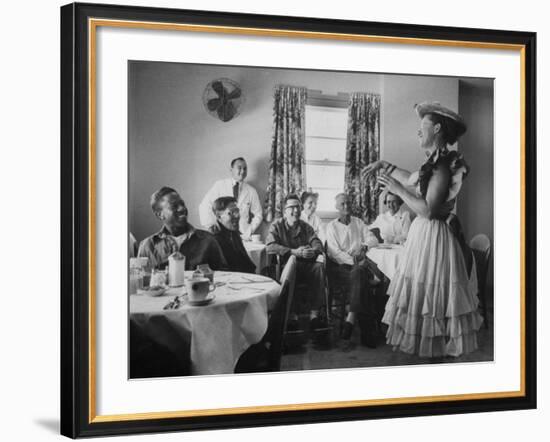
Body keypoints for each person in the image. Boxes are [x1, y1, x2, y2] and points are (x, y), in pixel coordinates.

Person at [362, 101, 482, 358]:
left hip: (434, 237)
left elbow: (427, 210)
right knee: (425, 294)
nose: (418, 132)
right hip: (425, 235)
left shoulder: (443, 165)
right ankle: (429, 356)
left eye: (422, 126)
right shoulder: (434, 163)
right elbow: (413, 178)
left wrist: (397, 190)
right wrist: (386, 165)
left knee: (432, 297)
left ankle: (435, 356)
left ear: (437, 128)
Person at [325, 193, 387, 348]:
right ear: (336, 207)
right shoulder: (331, 226)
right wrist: (355, 261)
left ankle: (351, 319)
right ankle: (367, 331)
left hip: (358, 270)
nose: (346, 206)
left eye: (348, 203)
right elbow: (334, 253)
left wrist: (364, 247)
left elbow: (373, 239)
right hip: (340, 269)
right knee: (361, 275)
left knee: (359, 275)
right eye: (342, 204)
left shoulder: (358, 222)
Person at [265, 194, 327, 332]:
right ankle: (292, 316)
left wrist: (313, 251)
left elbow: (317, 243)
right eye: (291, 207)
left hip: (306, 265)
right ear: (284, 211)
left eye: (298, 207)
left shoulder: (305, 226)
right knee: (291, 267)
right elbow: (270, 246)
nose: (296, 211)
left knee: (319, 267)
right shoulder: (277, 225)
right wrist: (294, 252)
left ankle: (314, 315)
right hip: (287, 267)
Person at [138, 186, 227, 270]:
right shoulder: (147, 246)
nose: (182, 209)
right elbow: (140, 282)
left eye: (182, 204)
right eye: (174, 206)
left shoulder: (208, 240)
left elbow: (225, 278)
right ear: (160, 214)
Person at [199, 157, 263, 239]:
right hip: (221, 233)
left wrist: (249, 231)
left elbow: (258, 214)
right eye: (239, 168)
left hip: (242, 235)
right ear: (231, 169)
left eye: (245, 168)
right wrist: (211, 225)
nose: (242, 171)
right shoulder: (219, 185)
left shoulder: (251, 191)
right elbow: (204, 206)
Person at [210, 196, 256, 274]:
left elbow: (247, 265)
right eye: (231, 213)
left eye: (237, 211)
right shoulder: (213, 239)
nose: (237, 216)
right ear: (219, 216)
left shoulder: (234, 234)